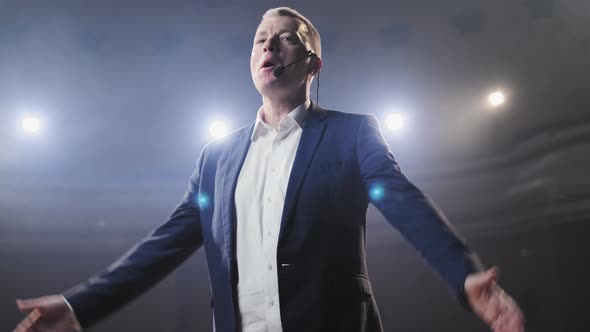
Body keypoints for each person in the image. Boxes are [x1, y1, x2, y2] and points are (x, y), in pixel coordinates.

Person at [13, 7, 524, 332]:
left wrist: (465, 275)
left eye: (286, 37)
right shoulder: (216, 157)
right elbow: (159, 248)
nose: (269, 45)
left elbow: (405, 201)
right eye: (260, 38)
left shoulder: (353, 133)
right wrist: (81, 305)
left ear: (313, 64)